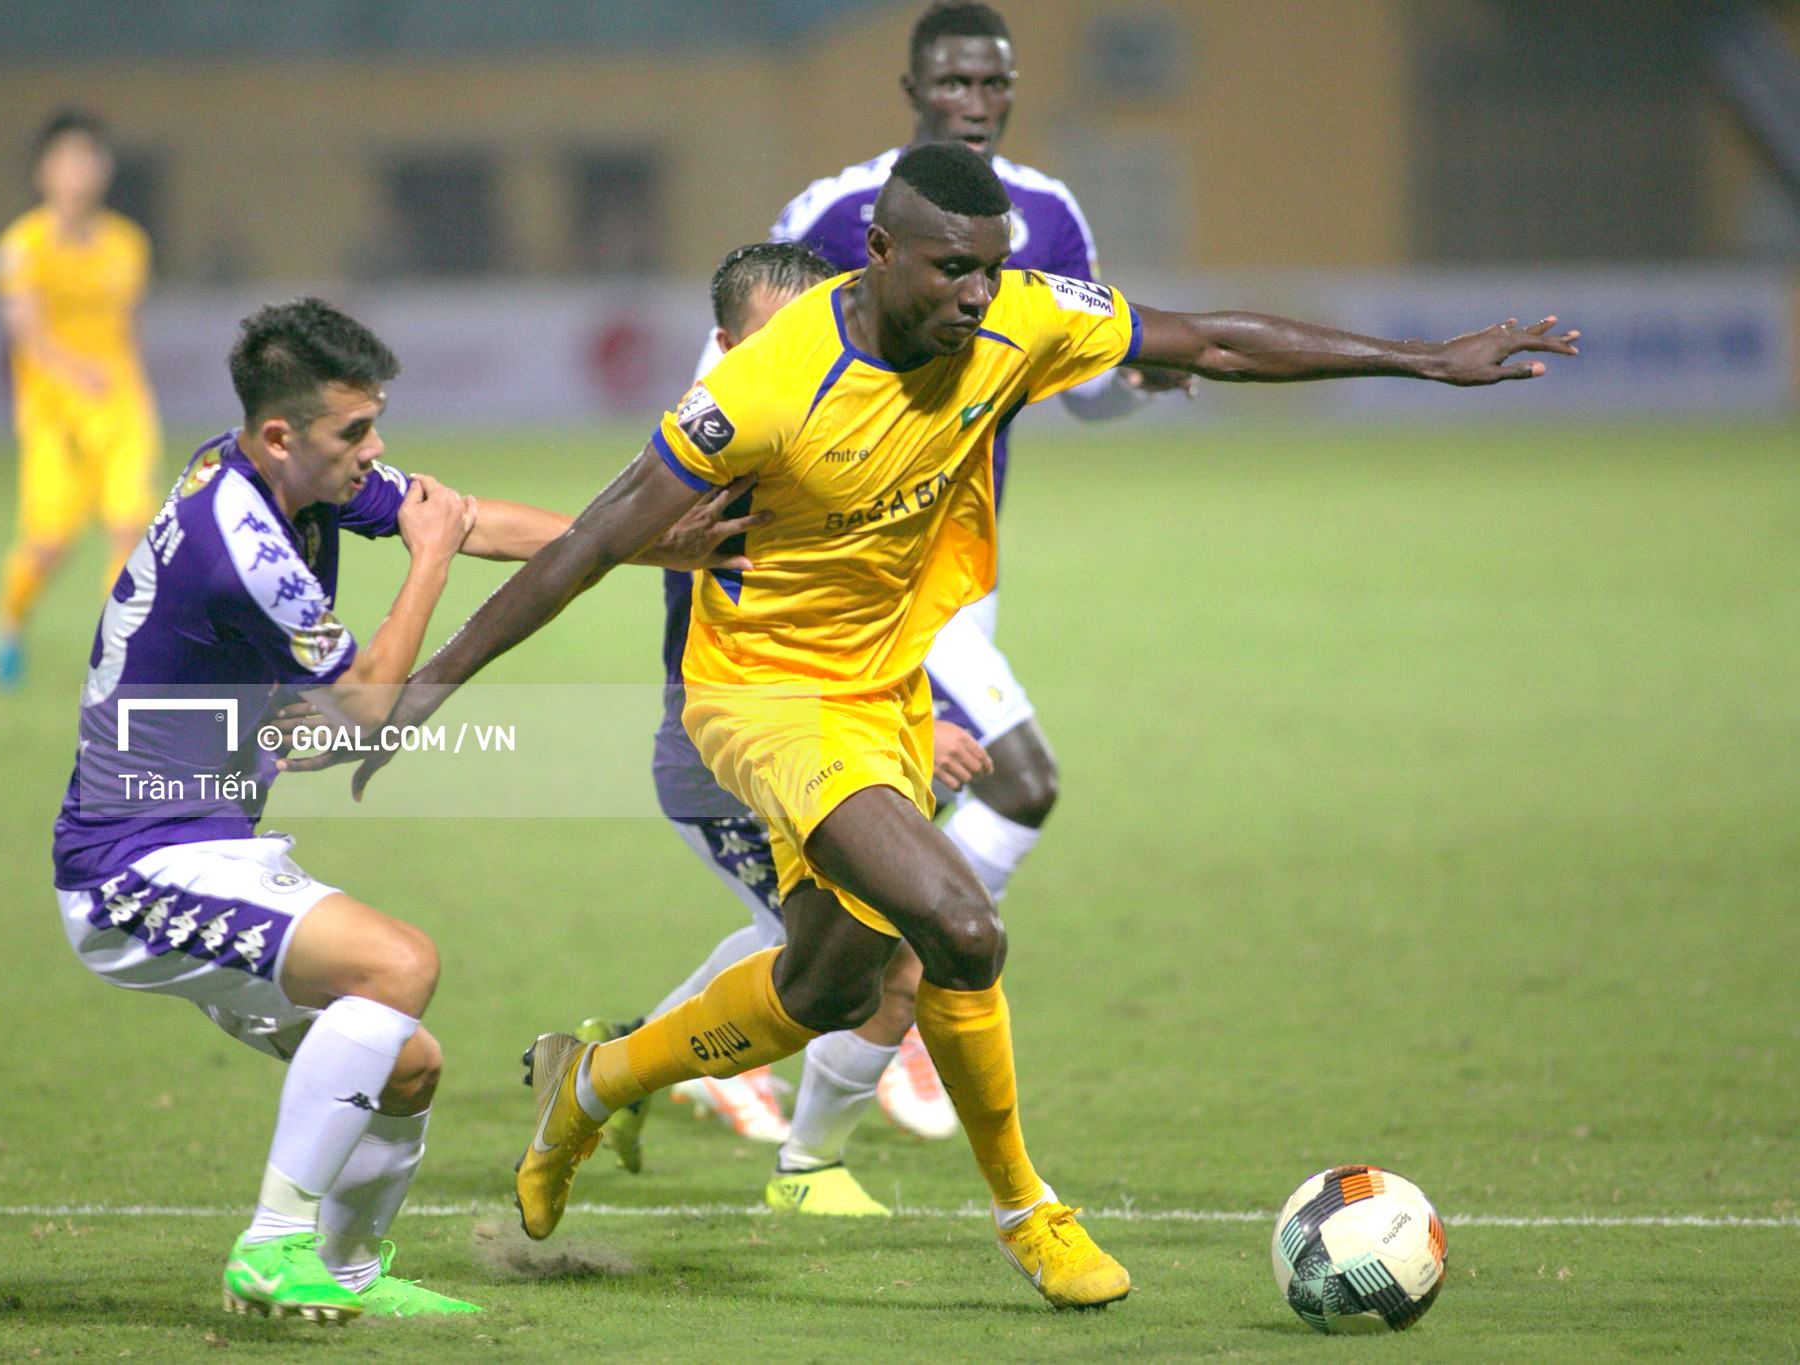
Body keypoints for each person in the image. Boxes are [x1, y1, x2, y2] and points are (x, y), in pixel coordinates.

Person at [313, 142, 1577, 1309]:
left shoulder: (1017, 316)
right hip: (758, 694)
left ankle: (588, 1089)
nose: (977, 293)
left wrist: (1416, 360)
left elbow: (1211, 340)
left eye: (990, 267)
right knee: (958, 924)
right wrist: (423, 691)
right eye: (950, 269)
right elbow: (592, 540)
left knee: (822, 986)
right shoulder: (770, 383)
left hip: (887, 691)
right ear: (878, 247)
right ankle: (1031, 1212)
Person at [53, 297, 755, 1323]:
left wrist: (656, 545)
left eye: (374, 425)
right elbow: (370, 712)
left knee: (403, 1063)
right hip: (131, 863)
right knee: (399, 964)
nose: (373, 453)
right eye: (355, 434)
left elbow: (464, 518)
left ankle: (337, 1275)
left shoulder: (279, 468)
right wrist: (424, 555)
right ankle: (272, 1246)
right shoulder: (235, 541)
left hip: (207, 840)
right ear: (281, 434)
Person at [652, 3, 1194, 1187]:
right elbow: (736, 371)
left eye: (991, 80)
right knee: (1015, 784)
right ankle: (874, 1047)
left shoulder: (1047, 214)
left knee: (838, 915)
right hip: (858, 578)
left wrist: (1143, 383)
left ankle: (688, 1047)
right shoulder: (828, 213)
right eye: (951, 78)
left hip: (954, 565)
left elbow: (1083, 382)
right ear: (911, 84)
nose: (973, 97)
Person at [579, 242, 996, 1217]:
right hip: (730, 756)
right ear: (722, 347)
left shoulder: (825, 434)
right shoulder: (712, 452)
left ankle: (633, 1061)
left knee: (821, 944)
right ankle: (801, 1164)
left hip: (817, 743)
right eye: (767, 342)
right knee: (867, 949)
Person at [0, 110, 161, 688]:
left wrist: (125, 389)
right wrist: (76, 372)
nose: (79, 172)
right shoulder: (22, 246)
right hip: (55, 412)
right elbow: (27, 336)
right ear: (43, 171)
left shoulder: (127, 245)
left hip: (119, 405)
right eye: (67, 160)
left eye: (89, 159)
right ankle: (8, 626)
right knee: (48, 543)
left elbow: (126, 331)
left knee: (130, 527)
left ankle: (121, 656)